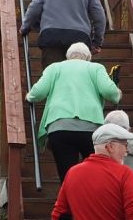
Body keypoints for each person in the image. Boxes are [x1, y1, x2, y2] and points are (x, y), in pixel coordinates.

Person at [25, 42, 119, 178]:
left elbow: (38, 92)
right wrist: (117, 95)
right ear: (88, 58)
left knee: (67, 175)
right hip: (91, 129)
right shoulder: (95, 68)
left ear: (68, 57)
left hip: (60, 127)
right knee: (94, 175)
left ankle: (69, 189)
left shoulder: (55, 68)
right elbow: (109, 91)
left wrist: (29, 96)